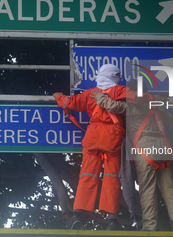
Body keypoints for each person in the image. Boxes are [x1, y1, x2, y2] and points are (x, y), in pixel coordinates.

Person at [89, 80, 173, 232]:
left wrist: (99, 96)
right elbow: (169, 122)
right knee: (169, 189)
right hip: (164, 150)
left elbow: (112, 106)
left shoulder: (132, 107)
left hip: (146, 151)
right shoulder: (156, 106)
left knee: (147, 189)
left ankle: (149, 227)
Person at [53, 64, 129, 231]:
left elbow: (69, 102)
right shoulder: (119, 91)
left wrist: (58, 95)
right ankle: (112, 220)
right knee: (111, 177)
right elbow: (140, 100)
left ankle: (77, 214)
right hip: (112, 138)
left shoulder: (90, 93)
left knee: (87, 174)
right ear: (114, 76)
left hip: (93, 137)